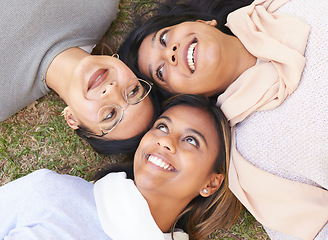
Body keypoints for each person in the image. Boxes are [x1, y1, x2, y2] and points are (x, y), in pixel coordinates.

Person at [118, 0, 328, 239]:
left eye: (164, 39)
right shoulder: (251, 161)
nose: (171, 53)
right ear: (183, 96)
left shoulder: (280, 5)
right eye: (162, 72)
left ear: (202, 23)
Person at [0, 94, 242, 240]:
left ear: (211, 183)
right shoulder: (52, 191)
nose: (165, 141)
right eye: (162, 127)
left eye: (191, 140)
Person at [0, 0, 160, 154]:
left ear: (72, 119)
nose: (112, 90)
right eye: (132, 92)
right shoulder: (97, 7)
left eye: (110, 115)